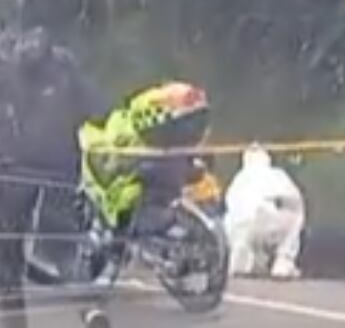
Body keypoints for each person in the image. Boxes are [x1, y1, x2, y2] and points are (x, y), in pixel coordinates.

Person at [0, 0, 114, 328]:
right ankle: (91, 310)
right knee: (63, 248)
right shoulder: (61, 61)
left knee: (7, 254)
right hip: (61, 166)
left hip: (12, 170)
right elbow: (98, 108)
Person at [78, 81, 212, 238]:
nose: (196, 131)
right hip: (124, 213)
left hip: (142, 201)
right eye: (191, 125)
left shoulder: (165, 145)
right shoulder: (136, 150)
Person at [224, 144, 305, 279]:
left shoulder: (239, 178)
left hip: (241, 230)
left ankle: (240, 263)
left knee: (232, 219)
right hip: (266, 219)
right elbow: (294, 199)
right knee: (296, 214)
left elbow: (229, 203)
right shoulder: (276, 174)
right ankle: (283, 262)